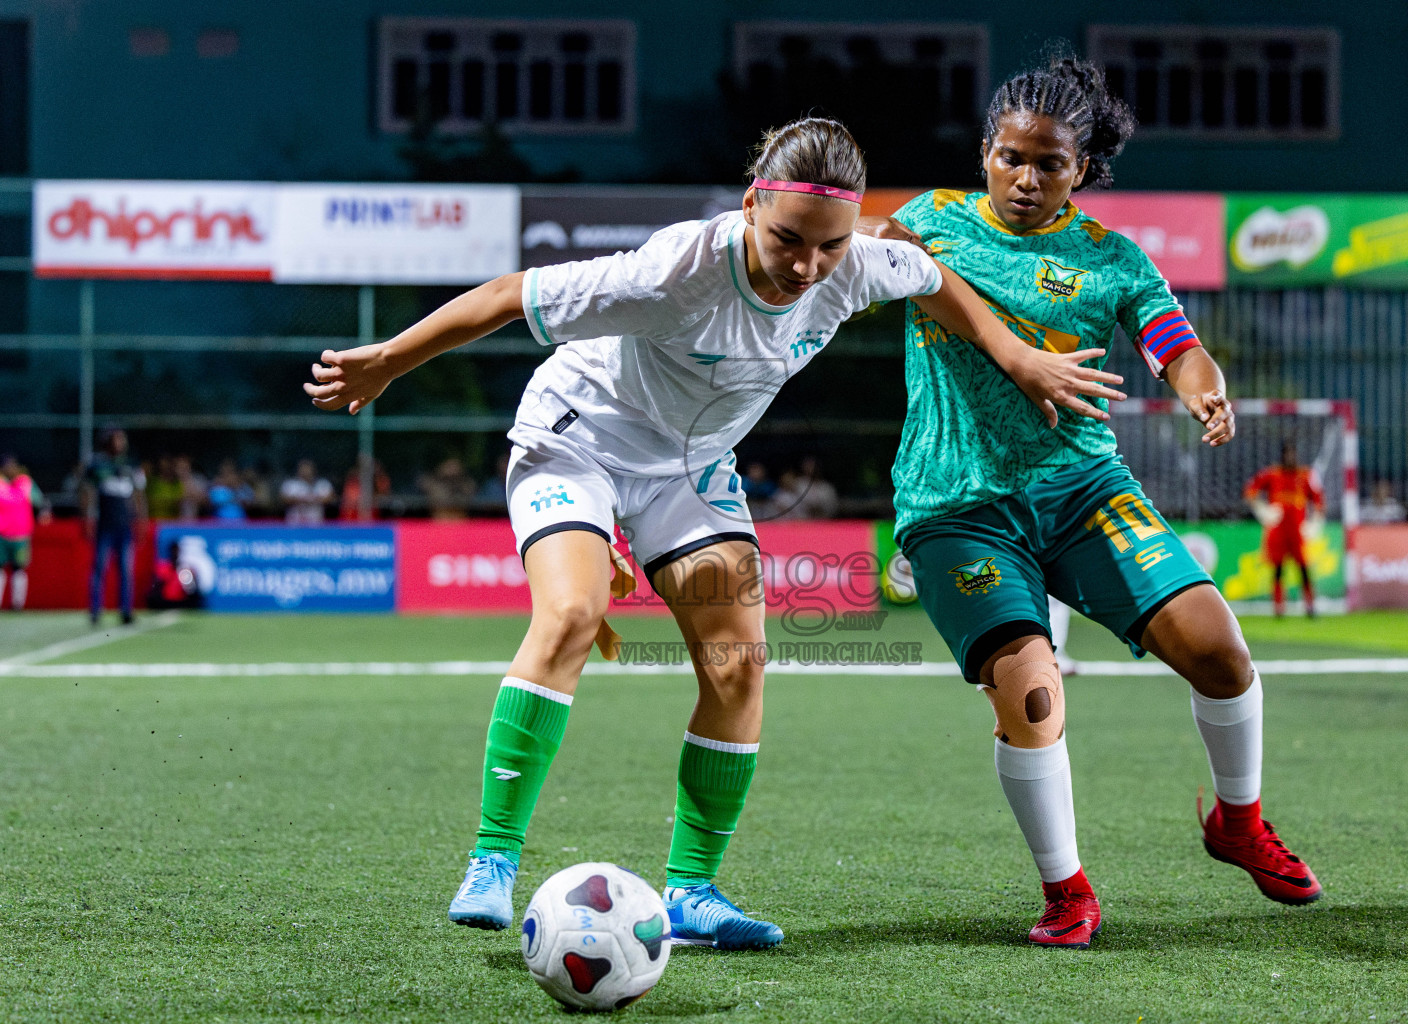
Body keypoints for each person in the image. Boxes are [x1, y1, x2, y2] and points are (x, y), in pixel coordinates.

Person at [305, 116, 1120, 950]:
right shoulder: (676, 268)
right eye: (788, 240)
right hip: (576, 439)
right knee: (573, 615)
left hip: (691, 470)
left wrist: (1016, 355)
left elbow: (936, 280)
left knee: (739, 661)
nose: (807, 267)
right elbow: (511, 295)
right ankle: (492, 860)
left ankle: (692, 891)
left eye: (830, 246)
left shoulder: (860, 263)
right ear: (751, 205)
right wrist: (390, 360)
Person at [864, 57, 1321, 949]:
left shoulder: (1111, 259)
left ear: (1084, 168)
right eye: (1009, 157)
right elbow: (884, 255)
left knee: (1222, 654)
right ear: (986, 153)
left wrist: (1202, 387)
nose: (1026, 178)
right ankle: (1067, 890)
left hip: (1082, 490)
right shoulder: (935, 221)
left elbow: (1173, 342)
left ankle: (1239, 822)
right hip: (958, 504)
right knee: (1033, 693)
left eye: (1050, 163)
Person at [1245, 442, 1325, 617]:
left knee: (1303, 567)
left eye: (1292, 454)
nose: (1290, 458)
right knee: (1278, 568)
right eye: (1287, 454)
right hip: (1278, 531)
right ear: (1282, 456)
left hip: (1297, 531)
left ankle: (1310, 605)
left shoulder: (1306, 475)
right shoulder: (1272, 474)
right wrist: (1262, 510)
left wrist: (1315, 522)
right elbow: (1250, 490)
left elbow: (1319, 499)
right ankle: (1279, 606)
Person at [80, 428, 146, 626]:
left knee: (126, 569)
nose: (120, 443)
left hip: (125, 524)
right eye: (116, 439)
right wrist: (86, 518)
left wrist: (141, 520)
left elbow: (139, 495)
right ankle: (95, 610)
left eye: (122, 439)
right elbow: (87, 492)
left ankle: (125, 610)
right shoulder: (97, 465)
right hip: (104, 524)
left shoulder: (131, 465)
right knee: (99, 567)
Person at [0, 454, 51, 611]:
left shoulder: (25, 483)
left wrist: (44, 511)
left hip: (21, 535)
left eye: (12, 466)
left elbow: (39, 500)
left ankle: (17, 604)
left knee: (19, 569)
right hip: (1, 535)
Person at [281, 459, 334, 525]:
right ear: (298, 470)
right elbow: (284, 499)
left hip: (316, 522)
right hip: (294, 523)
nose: (305, 471)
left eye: (308, 469)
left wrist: (312, 500)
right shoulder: (290, 484)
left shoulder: (322, 484)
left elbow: (330, 499)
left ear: (313, 470)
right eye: (303, 469)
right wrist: (302, 500)